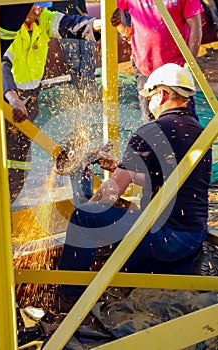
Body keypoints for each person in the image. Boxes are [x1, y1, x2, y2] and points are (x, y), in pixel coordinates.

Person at [57, 63, 212, 304]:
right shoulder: (201, 132)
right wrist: (121, 167)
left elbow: (110, 192)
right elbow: (174, 180)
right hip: (192, 238)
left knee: (83, 217)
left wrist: (92, 208)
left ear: (161, 95)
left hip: (164, 240)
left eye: (150, 97)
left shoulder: (151, 130)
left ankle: (69, 298)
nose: (149, 104)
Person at [2, 2, 101, 203]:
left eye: (41, 6)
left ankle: (5, 207)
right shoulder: (9, 24)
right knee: (4, 159)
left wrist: (99, 24)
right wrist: (12, 98)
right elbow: (2, 63)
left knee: (19, 163)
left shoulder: (43, 18)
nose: (37, 10)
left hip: (28, 100)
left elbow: (70, 23)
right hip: (5, 99)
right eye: (33, 6)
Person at [111, 0, 204, 123]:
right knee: (150, 119)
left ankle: (192, 141)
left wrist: (190, 64)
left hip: (176, 71)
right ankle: (155, 141)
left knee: (184, 117)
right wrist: (123, 30)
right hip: (145, 68)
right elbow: (112, 12)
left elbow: (195, 27)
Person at [50, 0, 97, 89]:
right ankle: (80, 91)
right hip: (64, 25)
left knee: (88, 56)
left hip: (79, 19)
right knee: (74, 61)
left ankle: (89, 89)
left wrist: (84, 12)